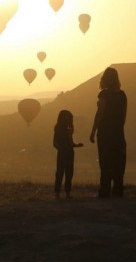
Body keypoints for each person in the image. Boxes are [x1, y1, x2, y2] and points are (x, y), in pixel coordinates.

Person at [90, 67, 127, 198]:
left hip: (105, 133)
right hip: (118, 132)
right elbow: (123, 116)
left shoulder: (104, 95)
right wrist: (118, 130)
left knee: (105, 162)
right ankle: (118, 190)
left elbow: (99, 114)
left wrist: (93, 131)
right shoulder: (122, 95)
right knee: (118, 161)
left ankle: (104, 190)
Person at [53, 110, 83, 199]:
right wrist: (77, 145)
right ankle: (67, 193)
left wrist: (61, 149)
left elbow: (54, 143)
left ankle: (57, 194)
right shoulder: (67, 130)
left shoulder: (58, 129)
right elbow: (70, 143)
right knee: (68, 173)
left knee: (60, 173)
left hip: (62, 153)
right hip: (68, 153)